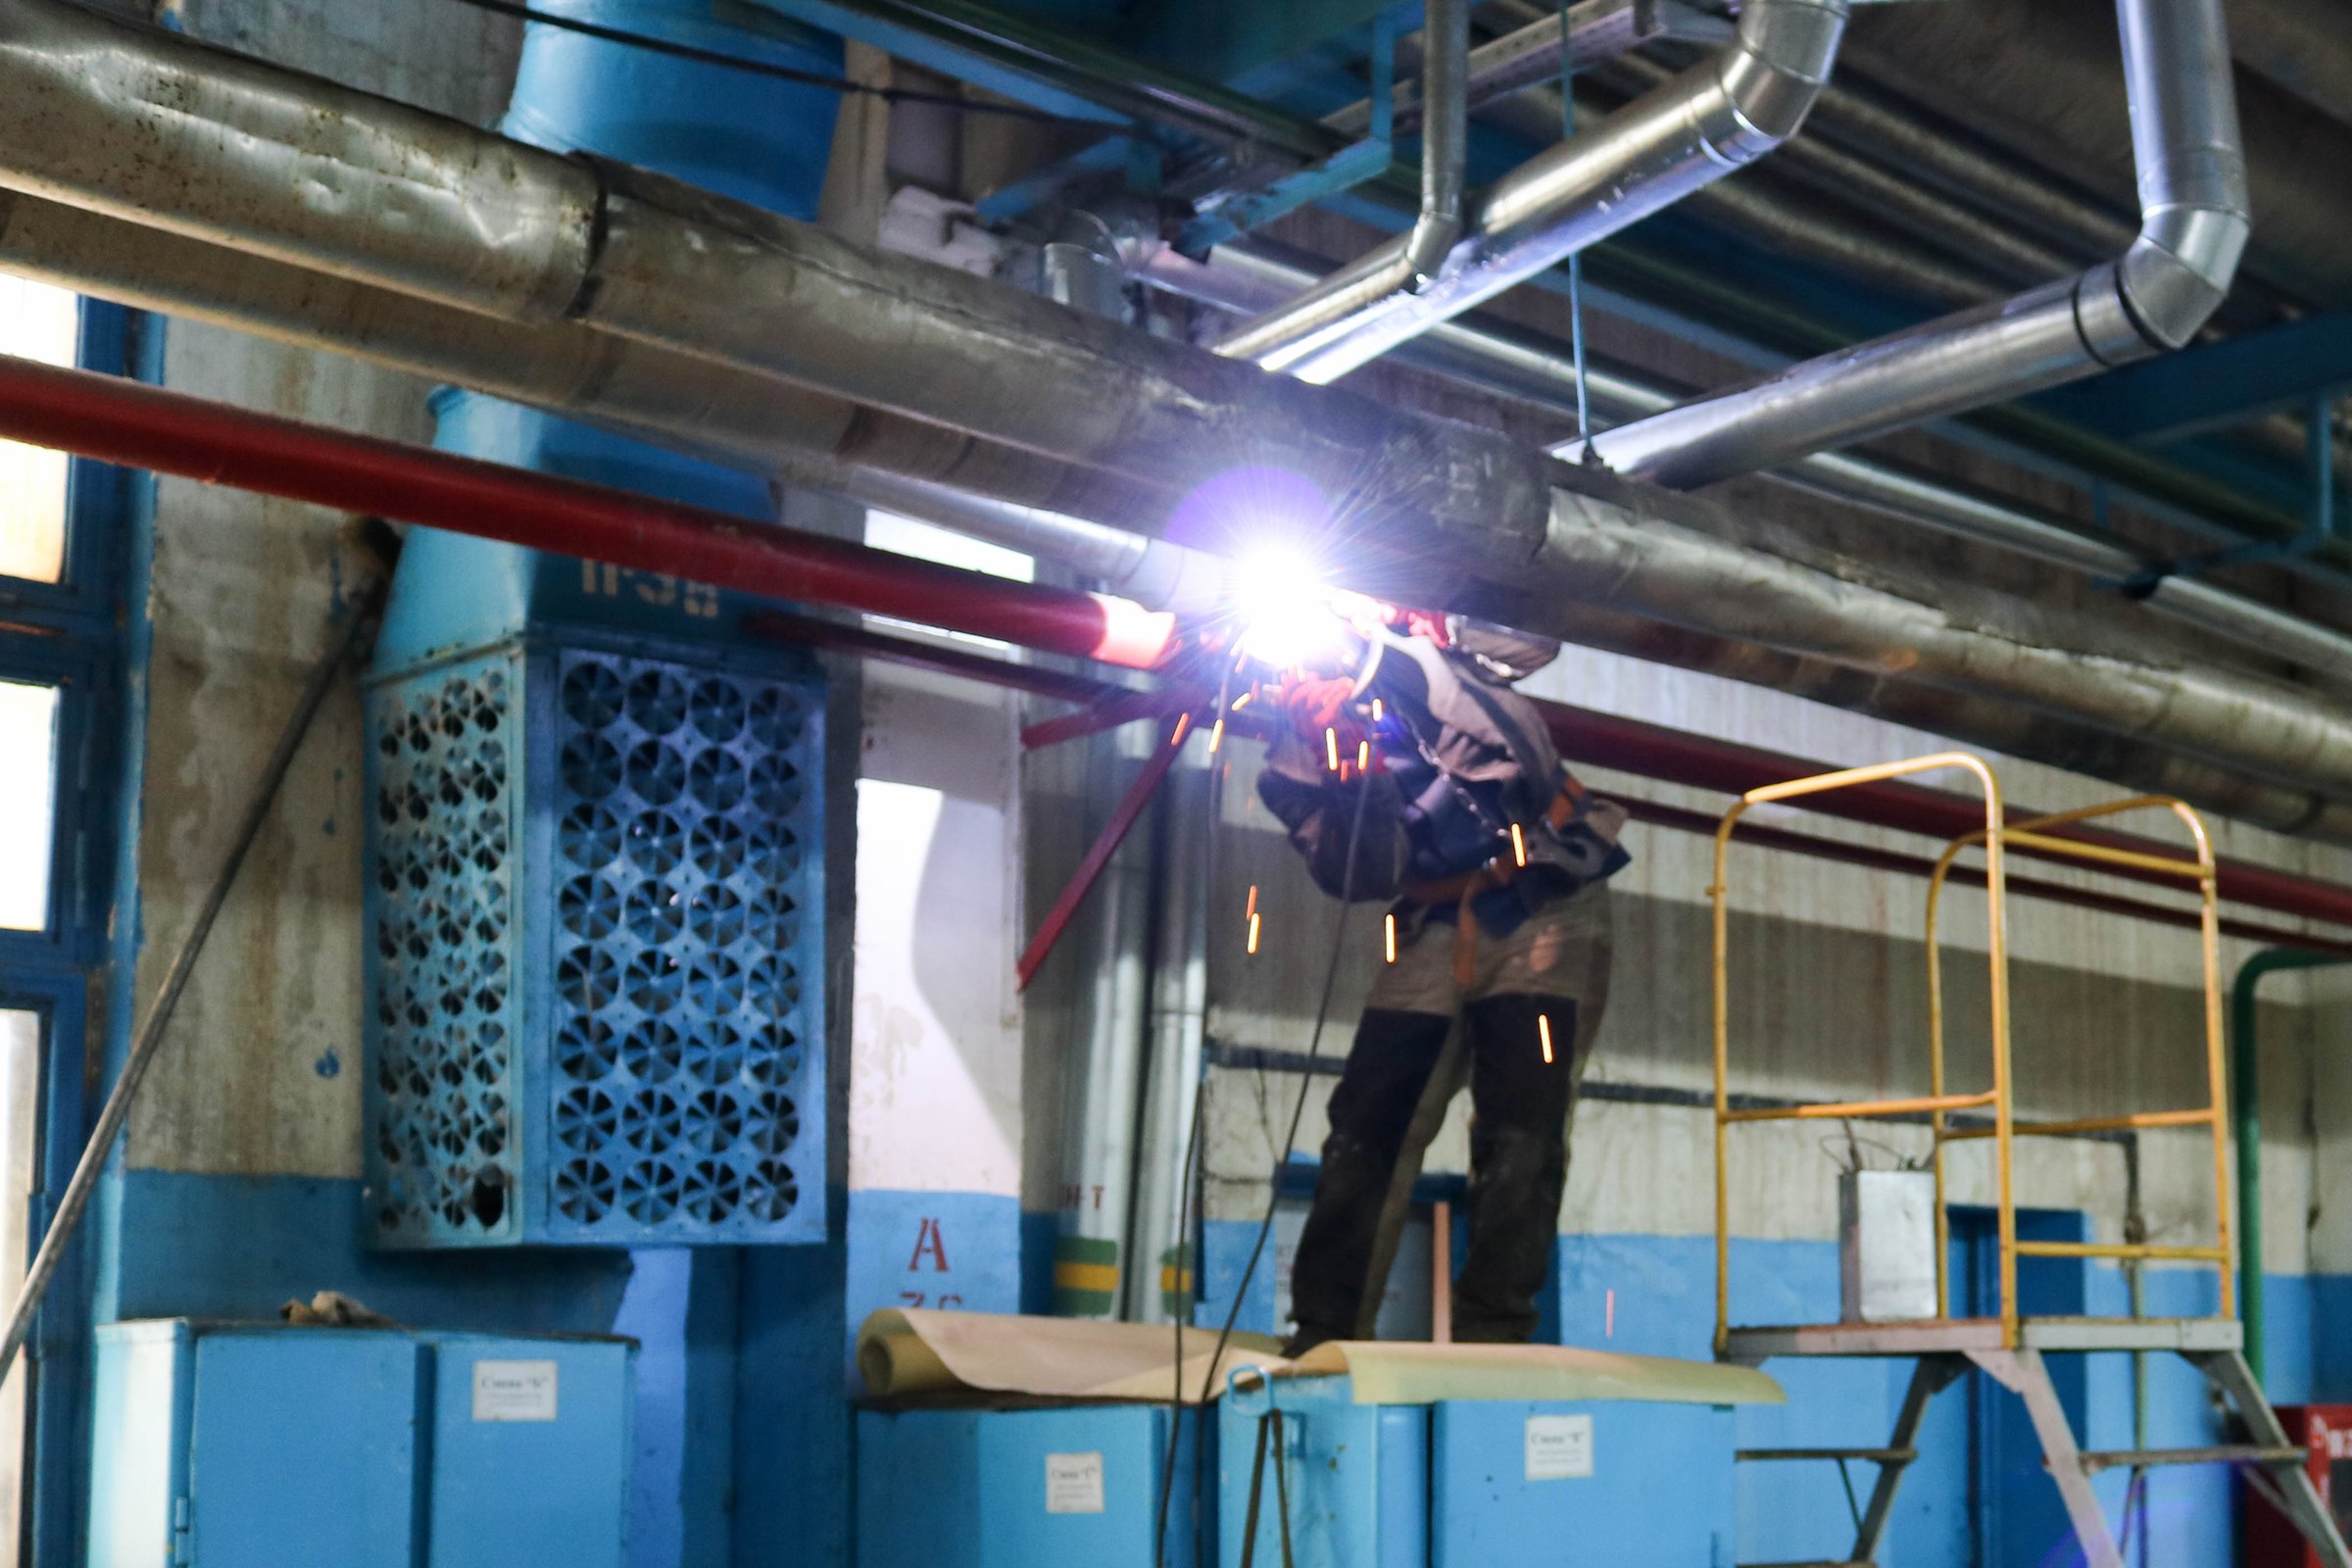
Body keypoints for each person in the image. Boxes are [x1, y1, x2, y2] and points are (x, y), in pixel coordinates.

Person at [1254, 605, 1627, 1352]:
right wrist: (1350, 780)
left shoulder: (1439, 661)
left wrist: (1393, 641)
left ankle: (1495, 1330)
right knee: (1368, 1120)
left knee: (1521, 1122)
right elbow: (1361, 876)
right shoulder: (1291, 766)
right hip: (1431, 924)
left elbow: (1516, 734)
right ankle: (1327, 1329)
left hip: (1545, 900)